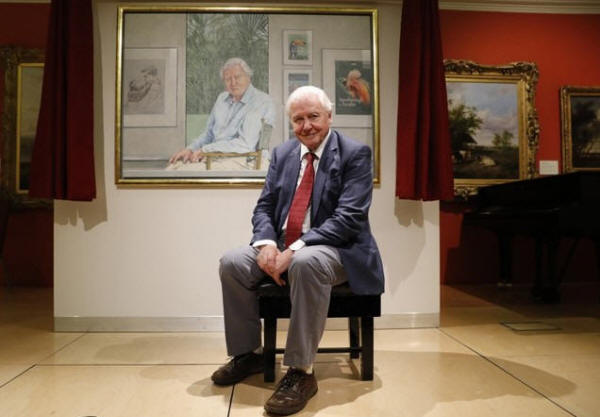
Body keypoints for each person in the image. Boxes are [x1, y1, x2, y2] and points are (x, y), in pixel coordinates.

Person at [212, 86, 384, 415]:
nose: (306, 126)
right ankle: (248, 354)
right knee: (232, 262)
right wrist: (266, 245)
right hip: (283, 243)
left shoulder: (355, 154)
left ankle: (301, 371)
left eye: (313, 117)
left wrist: (294, 249)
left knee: (304, 262)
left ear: (329, 116)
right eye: (298, 119)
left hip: (338, 249)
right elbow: (264, 207)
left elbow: (348, 218)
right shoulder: (283, 154)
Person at [169, 57, 275, 164]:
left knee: (187, 172)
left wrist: (206, 150)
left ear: (248, 77)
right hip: (213, 157)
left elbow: (245, 145)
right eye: (228, 79)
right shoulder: (222, 98)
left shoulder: (261, 101)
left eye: (237, 77)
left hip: (247, 161)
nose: (233, 83)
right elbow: (209, 134)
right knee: (175, 167)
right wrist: (190, 149)